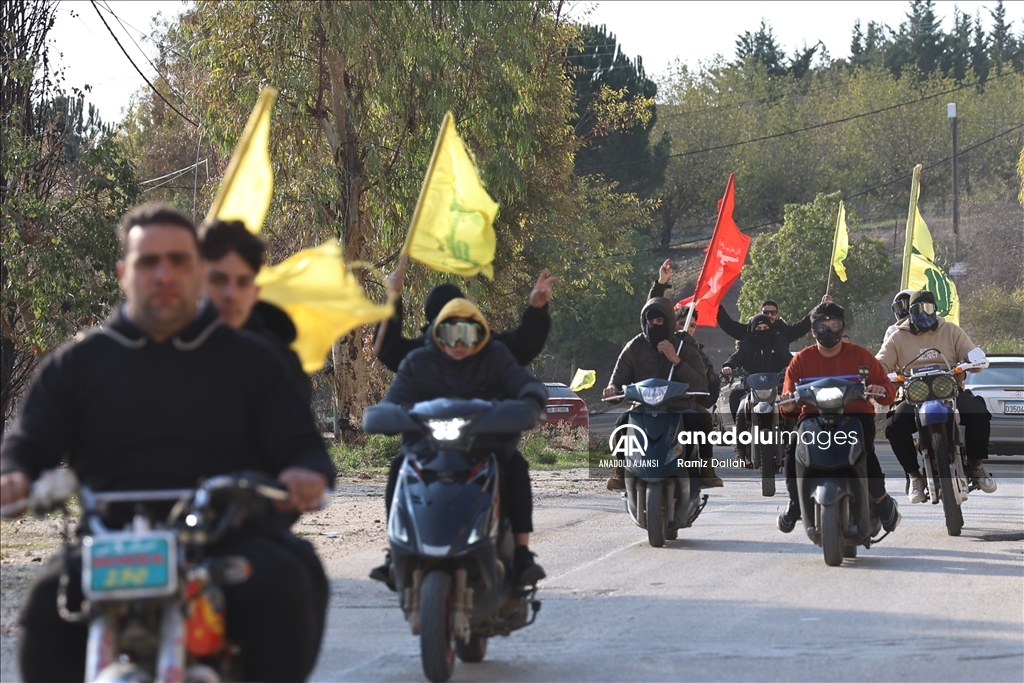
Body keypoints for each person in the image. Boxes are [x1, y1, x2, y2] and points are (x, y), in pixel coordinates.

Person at [0, 203, 335, 683]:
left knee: (287, 582)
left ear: (199, 271)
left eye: (178, 261)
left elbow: (301, 445)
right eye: (147, 262)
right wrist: (14, 474)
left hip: (225, 542)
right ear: (123, 273)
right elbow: (28, 445)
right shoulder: (78, 363)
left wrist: (304, 471)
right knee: (44, 606)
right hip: (110, 547)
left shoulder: (255, 361)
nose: (163, 274)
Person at [371, 297, 548, 587]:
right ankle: (396, 550)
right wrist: (386, 414)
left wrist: (531, 398)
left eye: (468, 334)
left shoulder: (497, 356)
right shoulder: (418, 361)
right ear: (438, 333)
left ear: (480, 333)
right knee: (399, 467)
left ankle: (521, 552)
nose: (459, 343)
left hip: (486, 447)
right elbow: (394, 398)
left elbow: (521, 381)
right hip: (428, 449)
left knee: (516, 466)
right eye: (450, 334)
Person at [777, 302, 901, 534]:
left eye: (834, 325)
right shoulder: (800, 360)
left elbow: (887, 390)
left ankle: (881, 499)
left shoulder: (861, 355)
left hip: (855, 416)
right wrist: (789, 402)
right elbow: (788, 405)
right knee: (794, 448)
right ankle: (795, 502)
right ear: (812, 330)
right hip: (812, 418)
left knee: (865, 450)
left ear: (843, 328)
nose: (828, 331)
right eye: (821, 326)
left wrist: (881, 389)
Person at [875, 290, 996, 503]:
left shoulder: (951, 330)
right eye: (917, 310)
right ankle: (915, 477)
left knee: (978, 412)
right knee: (893, 427)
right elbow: (881, 363)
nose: (923, 314)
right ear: (909, 312)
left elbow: (971, 353)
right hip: (913, 395)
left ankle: (976, 467)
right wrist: (880, 376)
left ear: (935, 309)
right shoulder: (897, 336)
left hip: (950, 390)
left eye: (928, 308)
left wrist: (969, 365)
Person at [602, 297, 720, 488]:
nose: (654, 325)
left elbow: (701, 381)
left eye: (660, 321)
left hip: (680, 406)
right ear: (644, 322)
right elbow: (617, 381)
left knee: (701, 418)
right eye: (650, 321)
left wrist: (676, 360)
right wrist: (612, 389)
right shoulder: (634, 347)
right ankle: (621, 470)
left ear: (670, 322)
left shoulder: (685, 347)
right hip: (644, 407)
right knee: (622, 422)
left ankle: (706, 468)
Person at [198, 218, 311, 402]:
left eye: (243, 282)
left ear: (255, 292)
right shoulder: (164, 353)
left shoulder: (282, 367)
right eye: (218, 280)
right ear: (195, 283)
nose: (231, 294)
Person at [374, 262, 555, 372]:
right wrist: (393, 300)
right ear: (434, 326)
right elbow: (387, 350)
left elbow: (522, 348)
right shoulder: (420, 357)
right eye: (447, 329)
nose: (458, 340)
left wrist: (537, 309)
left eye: (459, 322)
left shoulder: (487, 348)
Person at [721, 313, 793, 463]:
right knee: (738, 403)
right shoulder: (746, 344)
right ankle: (740, 446)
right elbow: (737, 357)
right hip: (751, 389)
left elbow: (789, 358)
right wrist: (728, 366)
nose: (762, 330)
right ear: (753, 329)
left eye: (766, 327)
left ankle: (791, 446)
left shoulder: (777, 342)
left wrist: (793, 366)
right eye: (758, 327)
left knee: (789, 407)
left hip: (776, 388)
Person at [718, 299, 813, 344]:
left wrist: (823, 307)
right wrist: (717, 307)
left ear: (777, 315)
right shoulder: (748, 331)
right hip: (752, 380)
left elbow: (804, 324)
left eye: (773, 312)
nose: (769, 316)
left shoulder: (784, 332)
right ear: (759, 313)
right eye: (766, 312)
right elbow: (728, 325)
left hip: (777, 379)